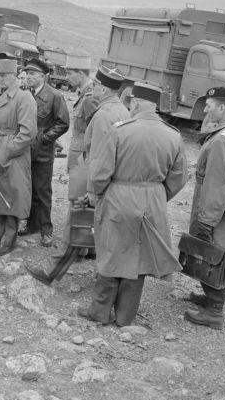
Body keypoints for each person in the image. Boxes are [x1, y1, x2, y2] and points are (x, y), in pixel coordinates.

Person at [78, 82, 187, 327]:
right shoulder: (174, 135)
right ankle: (126, 316)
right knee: (139, 258)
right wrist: (158, 195)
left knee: (111, 251)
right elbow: (179, 178)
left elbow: (100, 173)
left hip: (119, 196)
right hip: (153, 199)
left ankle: (100, 312)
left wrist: (96, 194)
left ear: (134, 102)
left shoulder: (120, 130)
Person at [184, 87, 225, 330]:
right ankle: (211, 298)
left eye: (209, 105)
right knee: (219, 251)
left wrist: (207, 219)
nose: (205, 109)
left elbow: (218, 181)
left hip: (218, 203)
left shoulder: (223, 139)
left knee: (214, 251)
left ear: (223, 108)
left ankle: (215, 310)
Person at [0, 57, 37, 255]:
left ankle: (9, 239)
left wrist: (8, 150)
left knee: (13, 195)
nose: (0, 78)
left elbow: (28, 132)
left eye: (3, 75)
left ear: (13, 75)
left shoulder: (24, 97)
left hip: (13, 153)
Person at [21, 58, 70, 246]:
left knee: (42, 191)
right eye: (27, 73)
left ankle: (46, 229)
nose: (29, 77)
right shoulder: (25, 93)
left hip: (42, 152)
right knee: (29, 188)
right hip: (25, 150)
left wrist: (44, 138)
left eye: (32, 74)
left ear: (43, 76)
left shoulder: (55, 96)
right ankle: (31, 224)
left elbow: (63, 123)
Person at [84, 65, 131, 207]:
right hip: (117, 178)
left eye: (95, 85)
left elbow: (98, 154)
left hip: (105, 182)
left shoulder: (103, 114)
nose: (92, 87)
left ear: (103, 89)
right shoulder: (123, 110)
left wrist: (92, 189)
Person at [65, 55, 98, 173]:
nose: (66, 77)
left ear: (80, 73)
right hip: (79, 154)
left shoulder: (89, 98)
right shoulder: (83, 94)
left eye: (69, 73)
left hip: (84, 157)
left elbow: (95, 131)